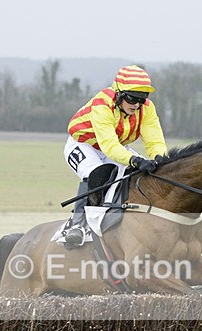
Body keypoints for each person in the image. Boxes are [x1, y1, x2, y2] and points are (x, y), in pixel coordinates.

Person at [62, 64, 167, 247]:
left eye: (142, 99)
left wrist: (160, 159)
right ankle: (76, 224)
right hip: (84, 144)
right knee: (97, 173)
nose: (137, 105)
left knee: (137, 175)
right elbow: (109, 145)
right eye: (132, 98)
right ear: (118, 93)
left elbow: (154, 140)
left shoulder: (146, 108)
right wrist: (135, 160)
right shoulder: (102, 104)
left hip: (115, 147)